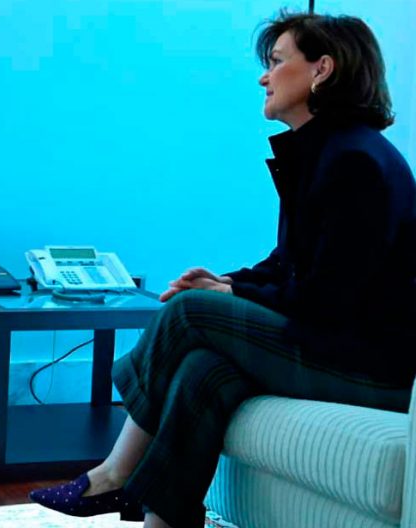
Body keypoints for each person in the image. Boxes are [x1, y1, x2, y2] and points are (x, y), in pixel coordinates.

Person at [30, 11, 416, 528]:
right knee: (203, 371)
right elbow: (289, 265)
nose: (264, 77)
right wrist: (229, 283)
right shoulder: (328, 152)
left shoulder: (355, 162)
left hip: (373, 371)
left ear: (322, 70)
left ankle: (116, 474)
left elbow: (327, 301)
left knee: (189, 312)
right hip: (338, 346)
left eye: (276, 62)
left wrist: (225, 299)